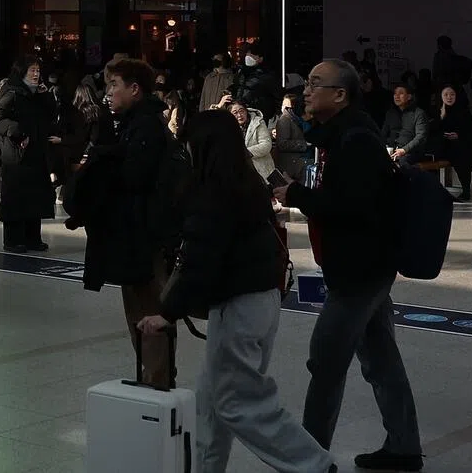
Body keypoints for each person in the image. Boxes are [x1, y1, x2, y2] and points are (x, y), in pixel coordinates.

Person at [140, 111, 334, 473]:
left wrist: (165, 313)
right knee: (212, 399)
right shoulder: (246, 182)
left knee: (239, 402)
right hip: (262, 300)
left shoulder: (213, 193)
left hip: (239, 307)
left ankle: (315, 465)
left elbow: (198, 261)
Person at [273, 59, 421, 473]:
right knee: (380, 359)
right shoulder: (343, 134)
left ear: (340, 95)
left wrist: (297, 194)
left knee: (326, 361)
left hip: (359, 271)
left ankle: (310, 456)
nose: (306, 89)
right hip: (367, 267)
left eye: (316, 84)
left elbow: (353, 206)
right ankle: (404, 447)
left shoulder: (354, 139)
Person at [67, 57, 175, 390]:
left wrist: (105, 162)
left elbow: (135, 178)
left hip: (144, 238)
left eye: (114, 84)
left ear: (135, 89)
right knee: (138, 309)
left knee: (148, 310)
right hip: (134, 236)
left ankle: (157, 380)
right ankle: (151, 376)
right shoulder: (131, 125)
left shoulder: (145, 128)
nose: (108, 91)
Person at [0, 56, 58, 252]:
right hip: (16, 155)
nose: (36, 75)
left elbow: (51, 114)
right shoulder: (13, 93)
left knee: (34, 196)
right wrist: (16, 130)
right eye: (32, 71)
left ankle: (33, 237)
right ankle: (13, 239)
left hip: (36, 152)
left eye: (38, 70)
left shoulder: (39, 93)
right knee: (16, 198)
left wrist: (46, 96)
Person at [431, 86, 472, 201]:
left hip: (459, 144)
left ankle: (466, 190)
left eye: (452, 94)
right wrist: (441, 117)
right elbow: (432, 130)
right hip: (442, 145)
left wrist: (458, 135)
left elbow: (471, 131)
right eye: (445, 94)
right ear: (441, 97)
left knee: (461, 154)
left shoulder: (463, 111)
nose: (449, 97)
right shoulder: (437, 111)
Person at [381, 85, 429, 165]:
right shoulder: (390, 113)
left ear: (409, 97)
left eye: (401, 93)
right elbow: (383, 134)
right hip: (391, 149)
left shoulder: (418, 113)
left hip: (410, 152)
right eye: (395, 93)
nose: (397, 96)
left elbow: (421, 136)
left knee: (403, 161)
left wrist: (404, 150)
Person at [236, 42, 281, 123]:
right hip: (243, 115)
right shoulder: (242, 72)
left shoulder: (268, 76)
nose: (248, 57)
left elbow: (277, 97)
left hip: (260, 117)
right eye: (247, 54)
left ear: (260, 58)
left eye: (252, 55)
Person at [274, 91, 311, 183]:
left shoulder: (300, 119)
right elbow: (282, 144)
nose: (285, 107)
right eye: (284, 105)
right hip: (292, 165)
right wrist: (305, 144)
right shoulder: (285, 120)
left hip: (304, 161)